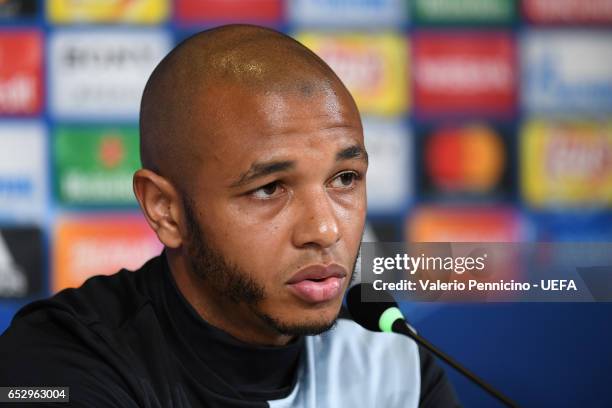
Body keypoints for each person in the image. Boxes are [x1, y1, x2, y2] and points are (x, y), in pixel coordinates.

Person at [0, 25, 459, 407]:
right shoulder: (59, 364)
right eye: (269, 188)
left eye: (344, 179)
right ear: (166, 210)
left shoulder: (390, 359)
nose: (325, 229)